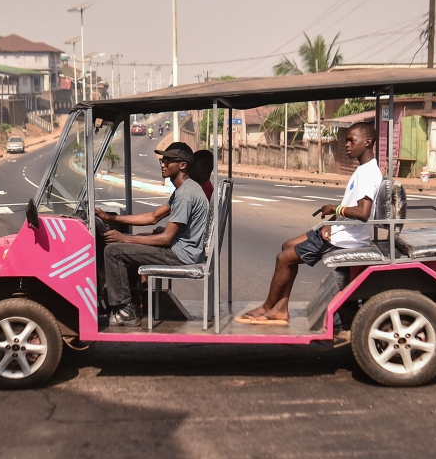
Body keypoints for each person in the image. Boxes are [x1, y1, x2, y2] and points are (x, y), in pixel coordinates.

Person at [236, 123, 382, 326]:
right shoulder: (363, 169)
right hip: (342, 231)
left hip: (347, 239)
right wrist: (330, 223)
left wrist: (334, 209)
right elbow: (351, 207)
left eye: (351, 140)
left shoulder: (368, 173)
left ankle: (267, 306)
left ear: (368, 142)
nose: (347, 145)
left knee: (283, 258)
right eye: (346, 140)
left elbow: (363, 212)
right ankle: (280, 308)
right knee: (287, 246)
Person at [97, 142, 210, 327]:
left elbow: (166, 238)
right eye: (162, 160)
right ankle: (133, 300)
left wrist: (123, 238)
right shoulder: (184, 189)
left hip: (181, 255)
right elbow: (151, 217)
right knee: (131, 243)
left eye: (168, 160)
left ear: (182, 165)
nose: (163, 164)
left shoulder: (185, 195)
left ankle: (124, 310)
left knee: (113, 250)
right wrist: (109, 217)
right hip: (182, 249)